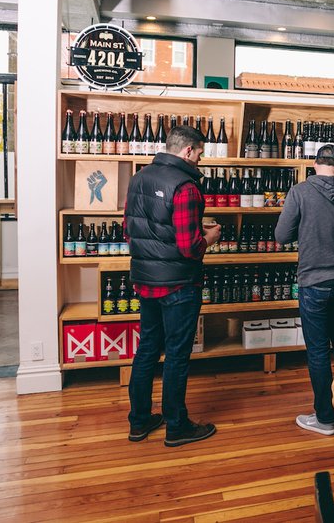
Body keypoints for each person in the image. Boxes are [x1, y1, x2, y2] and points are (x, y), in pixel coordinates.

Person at [124, 125, 221, 447]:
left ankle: (139, 421)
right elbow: (189, 248)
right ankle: (177, 426)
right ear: (188, 150)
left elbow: (131, 230)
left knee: (147, 350)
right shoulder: (186, 186)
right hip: (179, 283)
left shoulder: (139, 178)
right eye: (200, 153)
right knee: (177, 355)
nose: (201, 159)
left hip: (145, 279)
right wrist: (209, 237)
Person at [276, 144, 334, 436]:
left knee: (318, 351)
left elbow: (281, 235)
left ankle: (325, 418)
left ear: (314, 165)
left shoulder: (300, 192)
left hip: (314, 281)